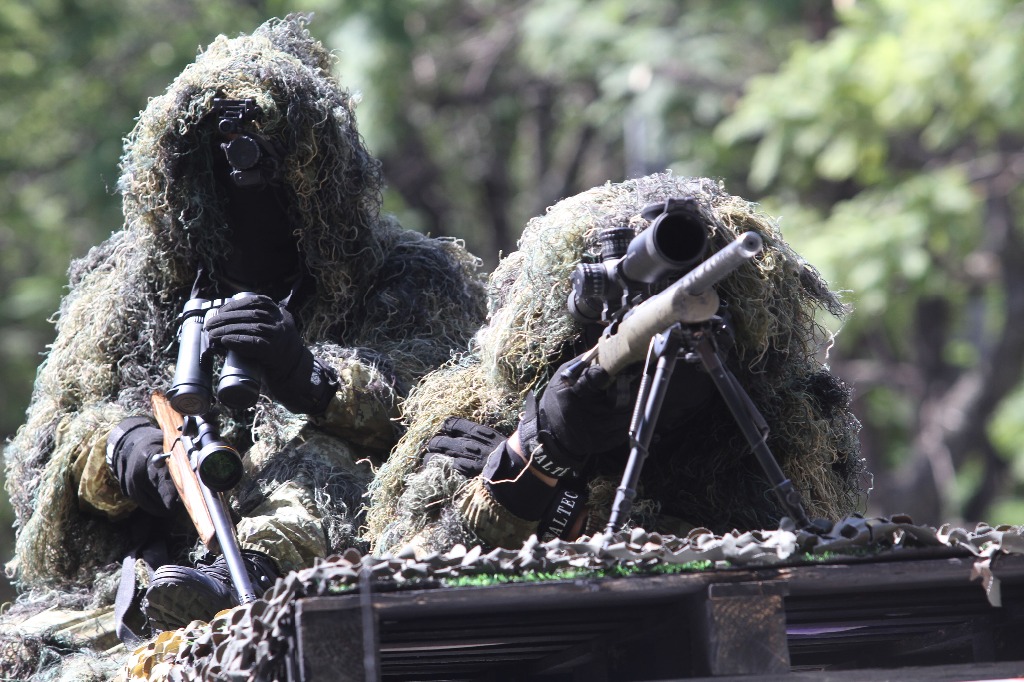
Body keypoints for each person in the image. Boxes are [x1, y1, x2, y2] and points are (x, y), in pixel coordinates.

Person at [0, 14, 485, 675]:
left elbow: (444, 406)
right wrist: (125, 451)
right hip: (142, 579)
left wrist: (313, 381)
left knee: (319, 458)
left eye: (268, 166)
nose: (237, 187)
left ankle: (238, 575)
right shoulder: (124, 294)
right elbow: (46, 449)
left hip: (322, 568)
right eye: (209, 166)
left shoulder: (406, 273)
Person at [366, 173, 866, 556]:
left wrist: (581, 516)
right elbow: (408, 570)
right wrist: (537, 454)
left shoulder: (779, 434)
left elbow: (793, 561)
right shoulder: (484, 418)